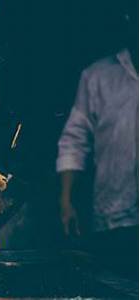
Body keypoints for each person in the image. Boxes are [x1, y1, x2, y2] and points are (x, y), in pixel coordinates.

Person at [56, 9, 138, 275]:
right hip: (114, 219)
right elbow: (73, 142)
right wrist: (66, 200)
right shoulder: (97, 77)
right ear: (129, 19)